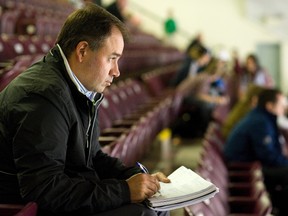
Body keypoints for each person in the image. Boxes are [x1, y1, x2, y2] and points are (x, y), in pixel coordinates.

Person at [0, 4, 170, 216]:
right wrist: (124, 190)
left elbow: (92, 157)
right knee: (143, 214)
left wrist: (138, 177)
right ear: (82, 51)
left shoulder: (78, 88)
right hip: (34, 207)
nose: (116, 71)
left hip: (64, 194)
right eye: (112, 59)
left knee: (157, 206)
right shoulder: (43, 96)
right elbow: (45, 190)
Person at [223, 88, 288, 216]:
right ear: (270, 106)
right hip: (244, 169)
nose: (284, 108)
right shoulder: (260, 122)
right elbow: (268, 157)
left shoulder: (261, 117)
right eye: (282, 105)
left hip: (250, 166)